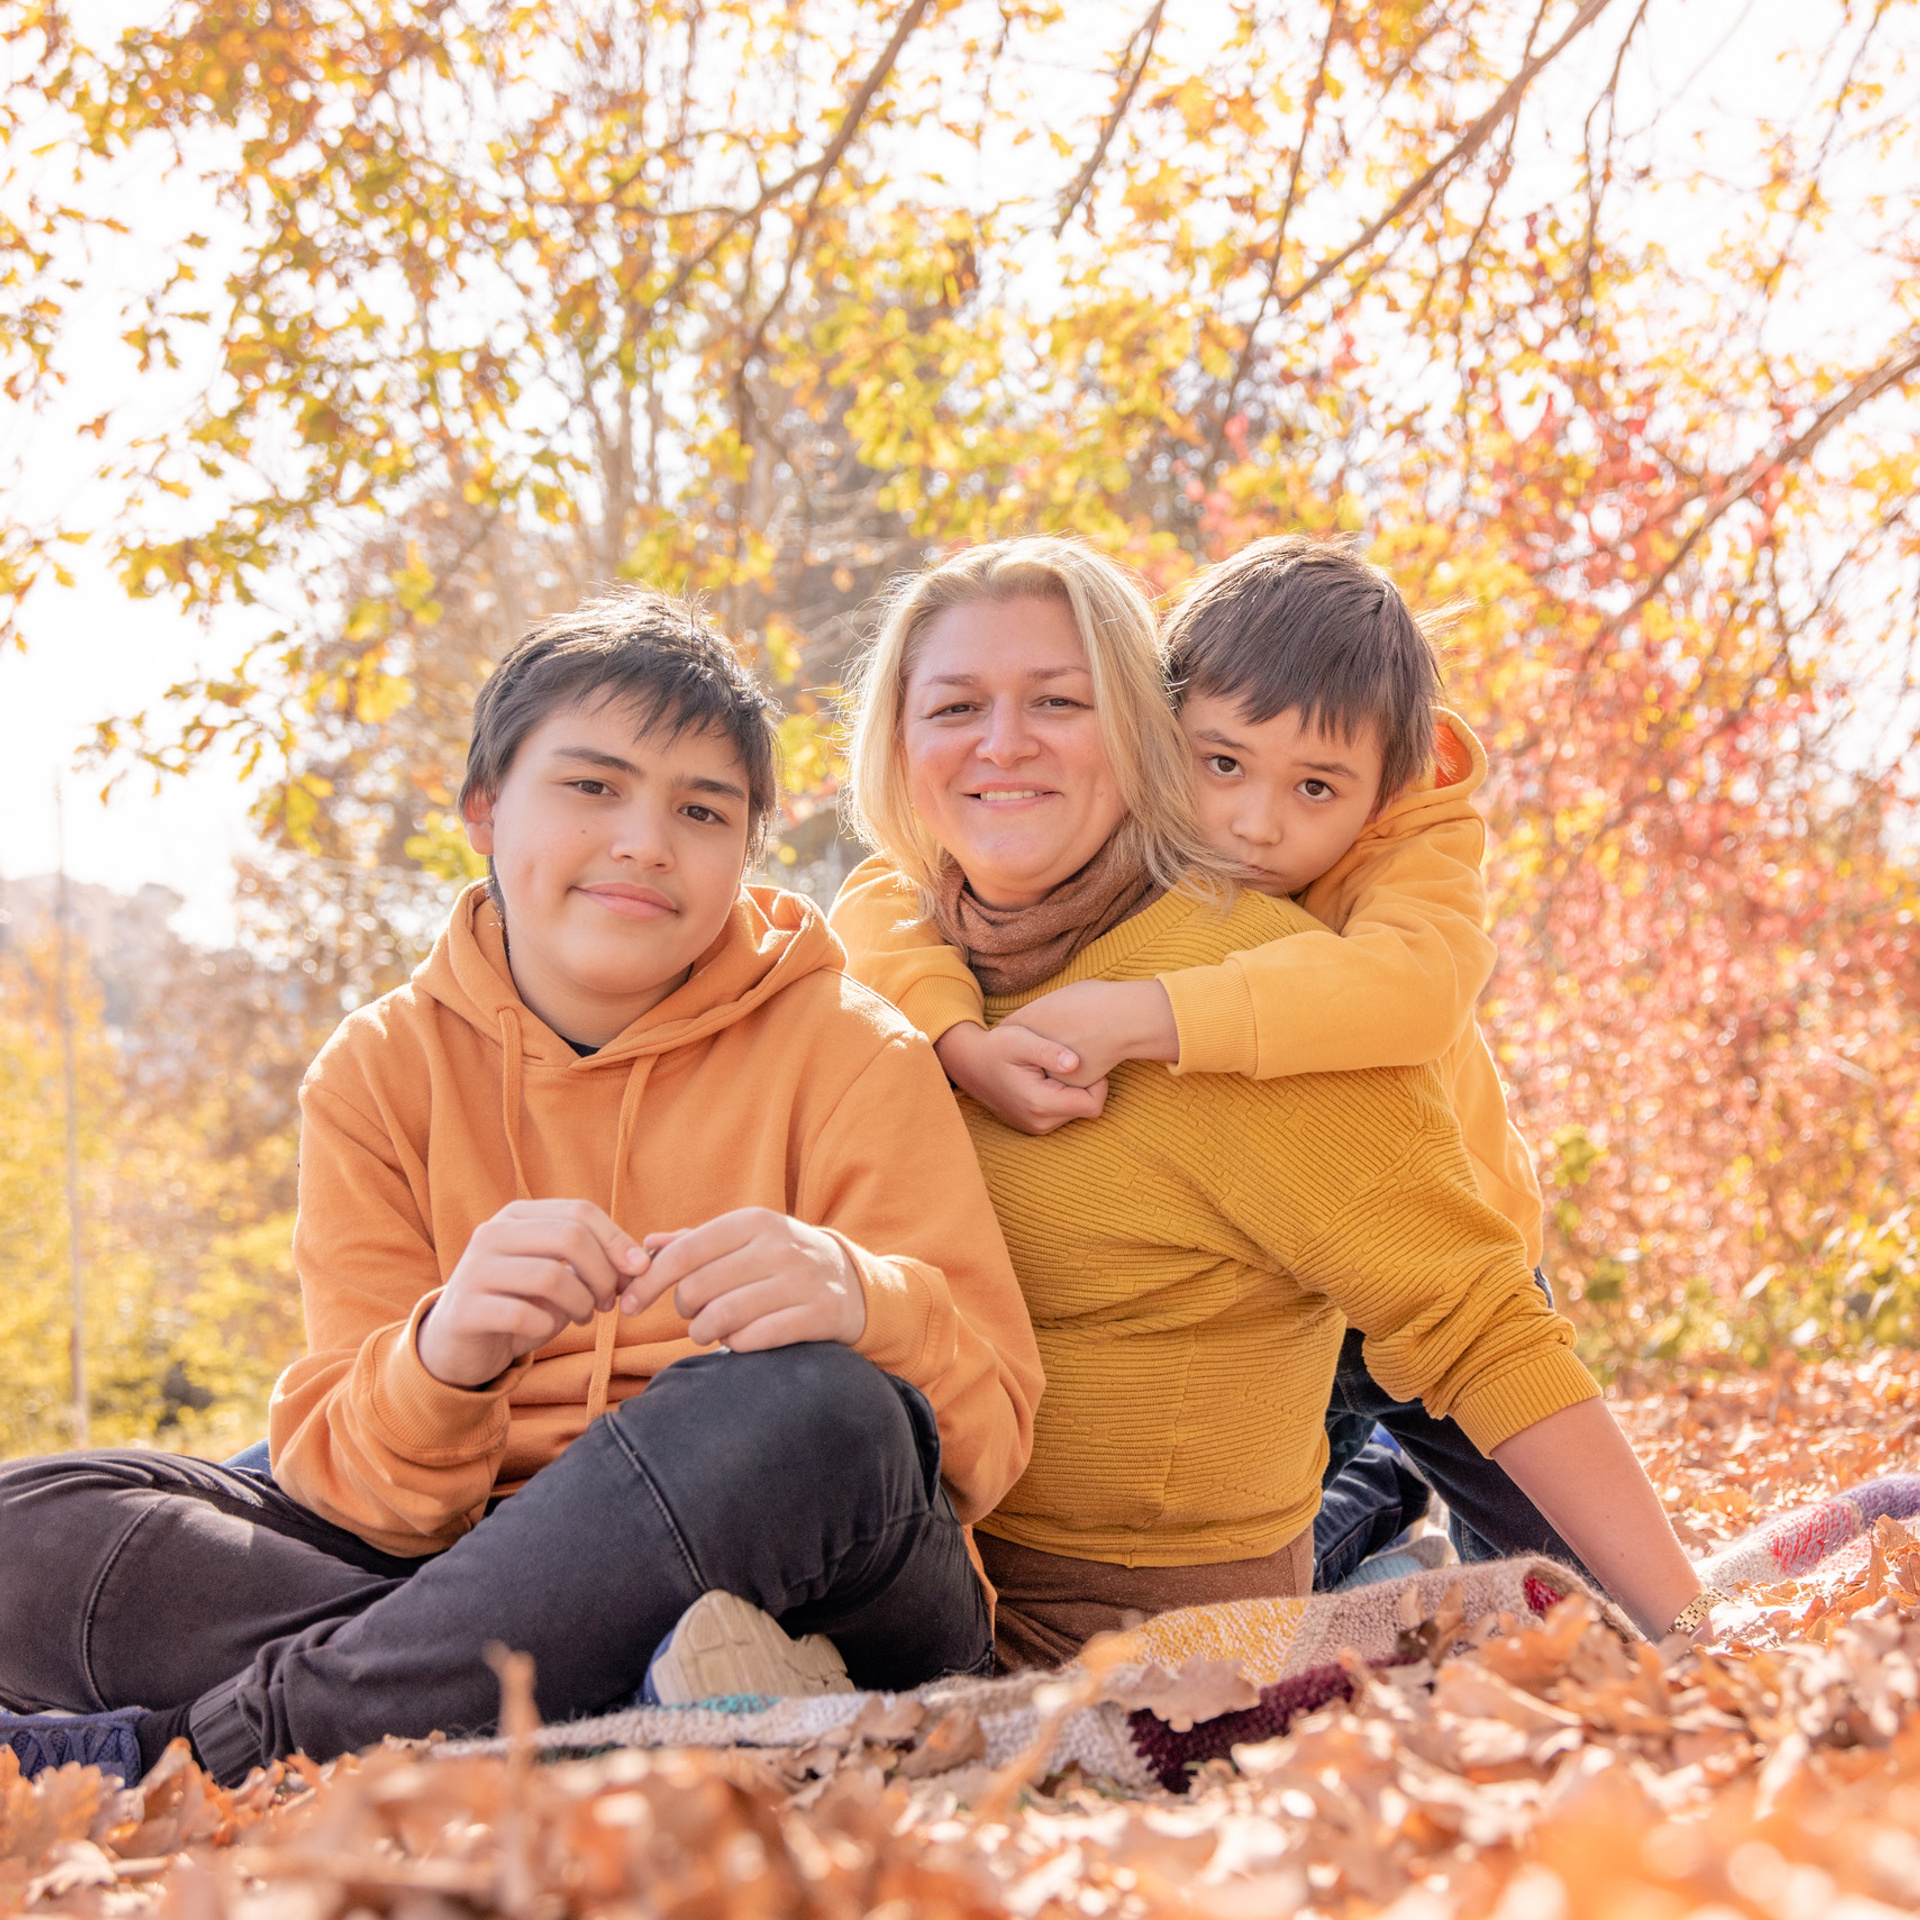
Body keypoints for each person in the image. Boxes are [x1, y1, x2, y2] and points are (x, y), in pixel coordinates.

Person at [0, 589, 1043, 1787]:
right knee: (31, 1523)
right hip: (457, 1570)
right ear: (485, 810)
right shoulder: (379, 1070)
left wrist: (865, 1301)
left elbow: (991, 1435)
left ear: (742, 852)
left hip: (826, 1576)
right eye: (593, 787)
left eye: (702, 811)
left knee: (816, 1414)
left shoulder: (854, 1050)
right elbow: (365, 1495)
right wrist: (443, 1355)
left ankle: (210, 1750)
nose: (646, 842)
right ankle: (646, 1704)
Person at [830, 535, 1714, 1668]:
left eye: (1057, 698)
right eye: (955, 706)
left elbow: (1479, 1318)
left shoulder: (1310, 958)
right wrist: (952, 1037)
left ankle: (1418, 1559)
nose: (1254, 823)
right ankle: (1382, 1542)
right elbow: (878, 893)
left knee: (1546, 1565)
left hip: (1414, 1267)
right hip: (939, 1556)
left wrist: (1692, 1632)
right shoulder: (891, 945)